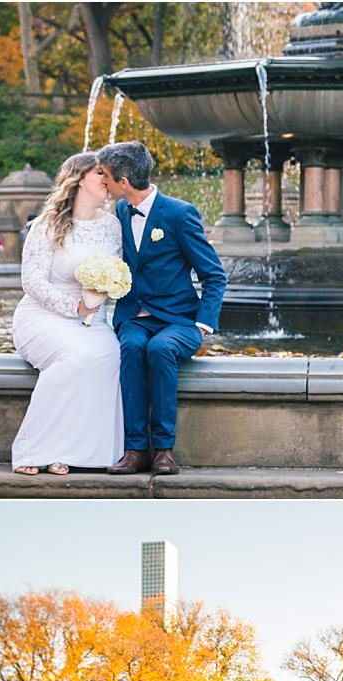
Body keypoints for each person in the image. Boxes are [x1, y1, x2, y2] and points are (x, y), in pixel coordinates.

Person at [96, 140, 226, 477]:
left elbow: (213, 275)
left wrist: (203, 325)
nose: (103, 182)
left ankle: (164, 451)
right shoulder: (122, 211)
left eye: (106, 176)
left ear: (123, 181)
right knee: (133, 346)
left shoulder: (180, 213)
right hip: (134, 318)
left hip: (179, 320)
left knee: (161, 348)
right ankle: (135, 450)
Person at [10, 152, 124, 475]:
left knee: (109, 355)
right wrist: (73, 306)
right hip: (43, 316)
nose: (107, 179)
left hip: (93, 320)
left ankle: (69, 451)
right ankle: (33, 448)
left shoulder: (112, 226)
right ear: (79, 179)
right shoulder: (47, 224)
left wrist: (101, 294)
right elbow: (31, 280)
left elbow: (117, 273)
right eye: (100, 173)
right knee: (75, 356)